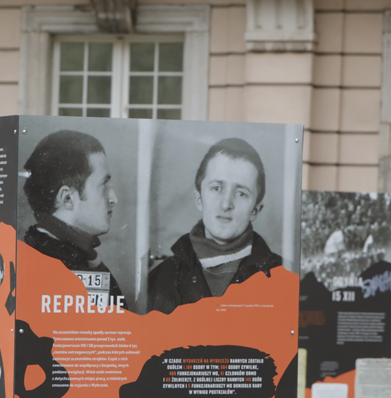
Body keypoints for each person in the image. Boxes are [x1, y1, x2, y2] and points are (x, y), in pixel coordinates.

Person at [148, 137, 283, 314]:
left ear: (255, 210)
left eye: (241, 193)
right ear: (199, 199)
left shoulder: (281, 276)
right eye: (217, 188)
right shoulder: (160, 280)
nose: (226, 204)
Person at [22, 130, 126, 307]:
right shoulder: (53, 270)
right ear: (68, 198)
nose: (114, 199)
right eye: (103, 185)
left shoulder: (71, 256)